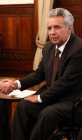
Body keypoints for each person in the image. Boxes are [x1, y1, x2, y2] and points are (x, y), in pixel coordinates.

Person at [9, 8, 82, 140]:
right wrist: (16, 84)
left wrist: (40, 97)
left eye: (57, 27)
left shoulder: (79, 48)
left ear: (68, 28)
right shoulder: (48, 47)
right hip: (51, 95)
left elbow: (65, 82)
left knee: (47, 114)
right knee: (23, 107)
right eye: (49, 28)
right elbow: (39, 74)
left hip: (70, 100)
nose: (52, 32)